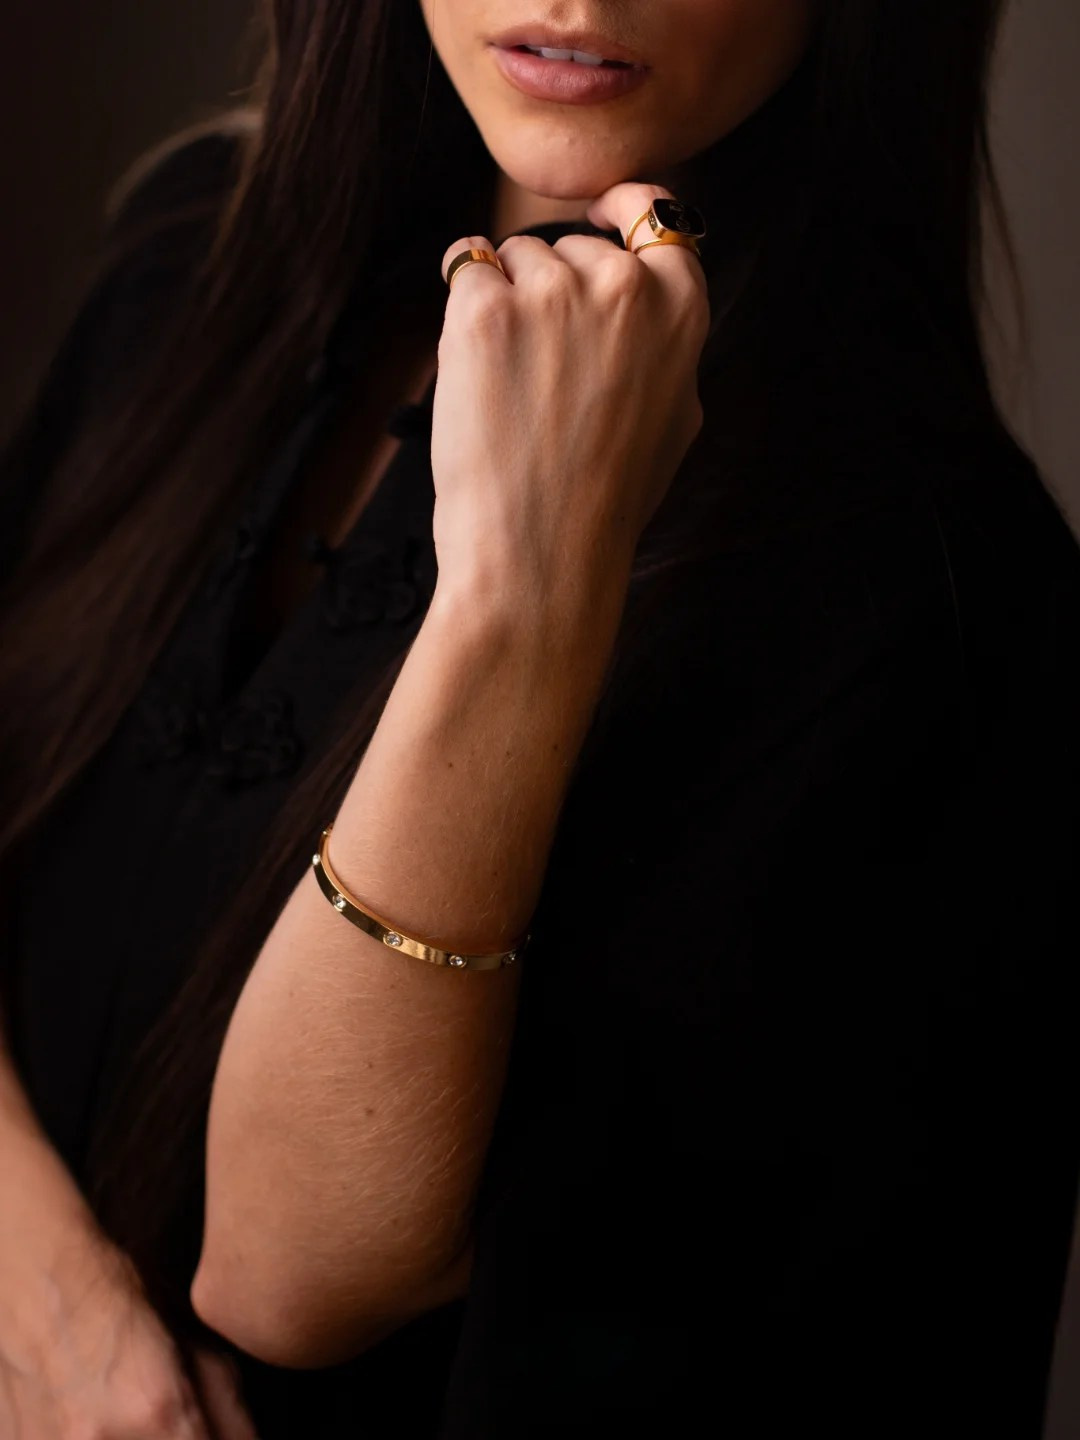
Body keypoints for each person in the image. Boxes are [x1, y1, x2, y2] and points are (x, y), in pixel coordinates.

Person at [1, 0, 1079, 1435]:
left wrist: (517, 604)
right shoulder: (195, 251)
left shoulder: (929, 596)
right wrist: (54, 1310)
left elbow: (281, 1278)